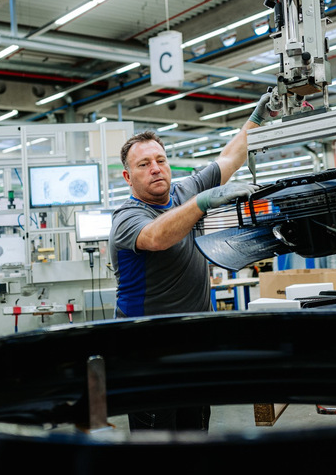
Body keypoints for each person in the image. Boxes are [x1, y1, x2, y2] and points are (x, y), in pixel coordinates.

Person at [109, 93, 274, 433]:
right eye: (143, 165)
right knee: (157, 447)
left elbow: (230, 158)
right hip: (146, 355)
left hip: (194, 346)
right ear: (128, 177)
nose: (156, 169)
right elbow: (157, 236)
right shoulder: (126, 217)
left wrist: (260, 116)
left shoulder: (186, 190)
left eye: (161, 160)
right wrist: (203, 201)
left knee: (196, 434)